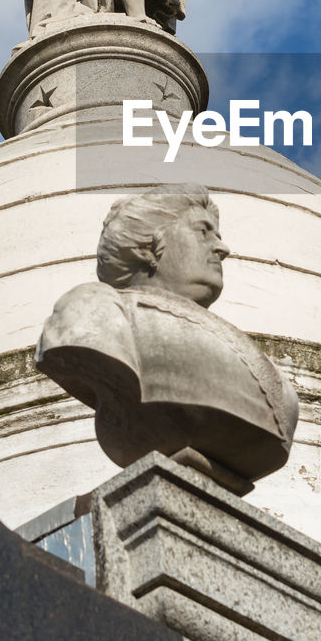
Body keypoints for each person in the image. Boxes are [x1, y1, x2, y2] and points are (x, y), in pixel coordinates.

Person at [35, 186, 299, 487]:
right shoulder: (94, 310)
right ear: (147, 248)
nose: (222, 249)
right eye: (203, 232)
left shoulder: (259, 362)